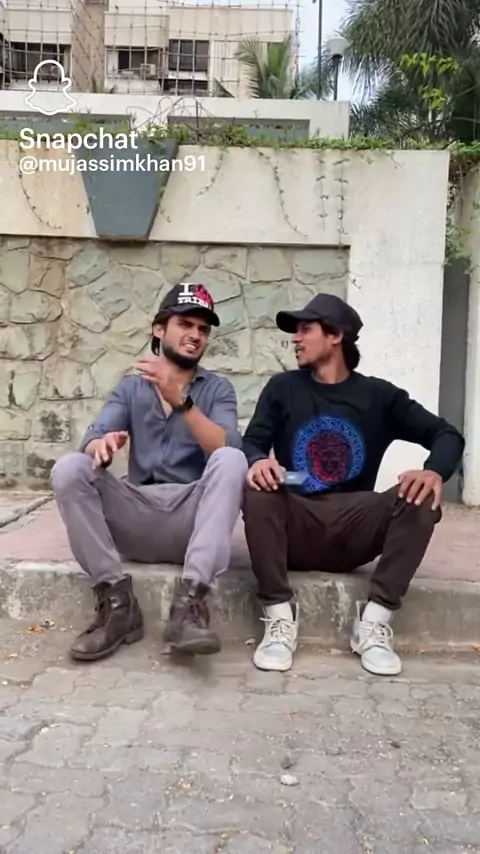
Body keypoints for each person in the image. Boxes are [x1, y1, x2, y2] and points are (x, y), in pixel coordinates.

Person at [242, 293, 465, 676]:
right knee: (255, 487)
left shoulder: (379, 396)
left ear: (335, 336)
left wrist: (433, 471)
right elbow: (252, 443)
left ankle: (374, 624)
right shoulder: (283, 388)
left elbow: (447, 434)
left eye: (305, 329)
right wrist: (259, 461)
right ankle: (279, 618)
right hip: (296, 525)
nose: (296, 338)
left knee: (421, 496)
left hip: (355, 528)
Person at [52, 282, 248, 662]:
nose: (195, 335)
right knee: (70, 467)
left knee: (232, 459)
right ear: (159, 329)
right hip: (135, 518)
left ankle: (189, 608)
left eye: (203, 329)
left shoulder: (218, 389)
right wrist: (101, 445)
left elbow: (227, 448)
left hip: (192, 524)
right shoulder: (131, 388)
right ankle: (118, 607)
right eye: (185, 324)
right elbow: (94, 436)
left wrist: (182, 401)